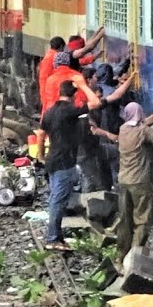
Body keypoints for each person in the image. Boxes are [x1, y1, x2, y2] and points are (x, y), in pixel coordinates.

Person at [90, 97, 153, 267]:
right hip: (139, 182)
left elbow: (144, 123)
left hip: (123, 181)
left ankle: (121, 256)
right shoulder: (143, 132)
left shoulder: (123, 129)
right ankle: (134, 256)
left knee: (125, 219)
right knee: (142, 219)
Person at [40, 79, 101, 251]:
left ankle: (57, 236)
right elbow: (95, 103)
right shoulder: (70, 111)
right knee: (57, 201)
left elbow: (41, 134)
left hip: (52, 159)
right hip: (64, 161)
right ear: (73, 96)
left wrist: (41, 155)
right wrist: (82, 85)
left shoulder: (50, 111)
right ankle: (52, 238)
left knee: (57, 198)